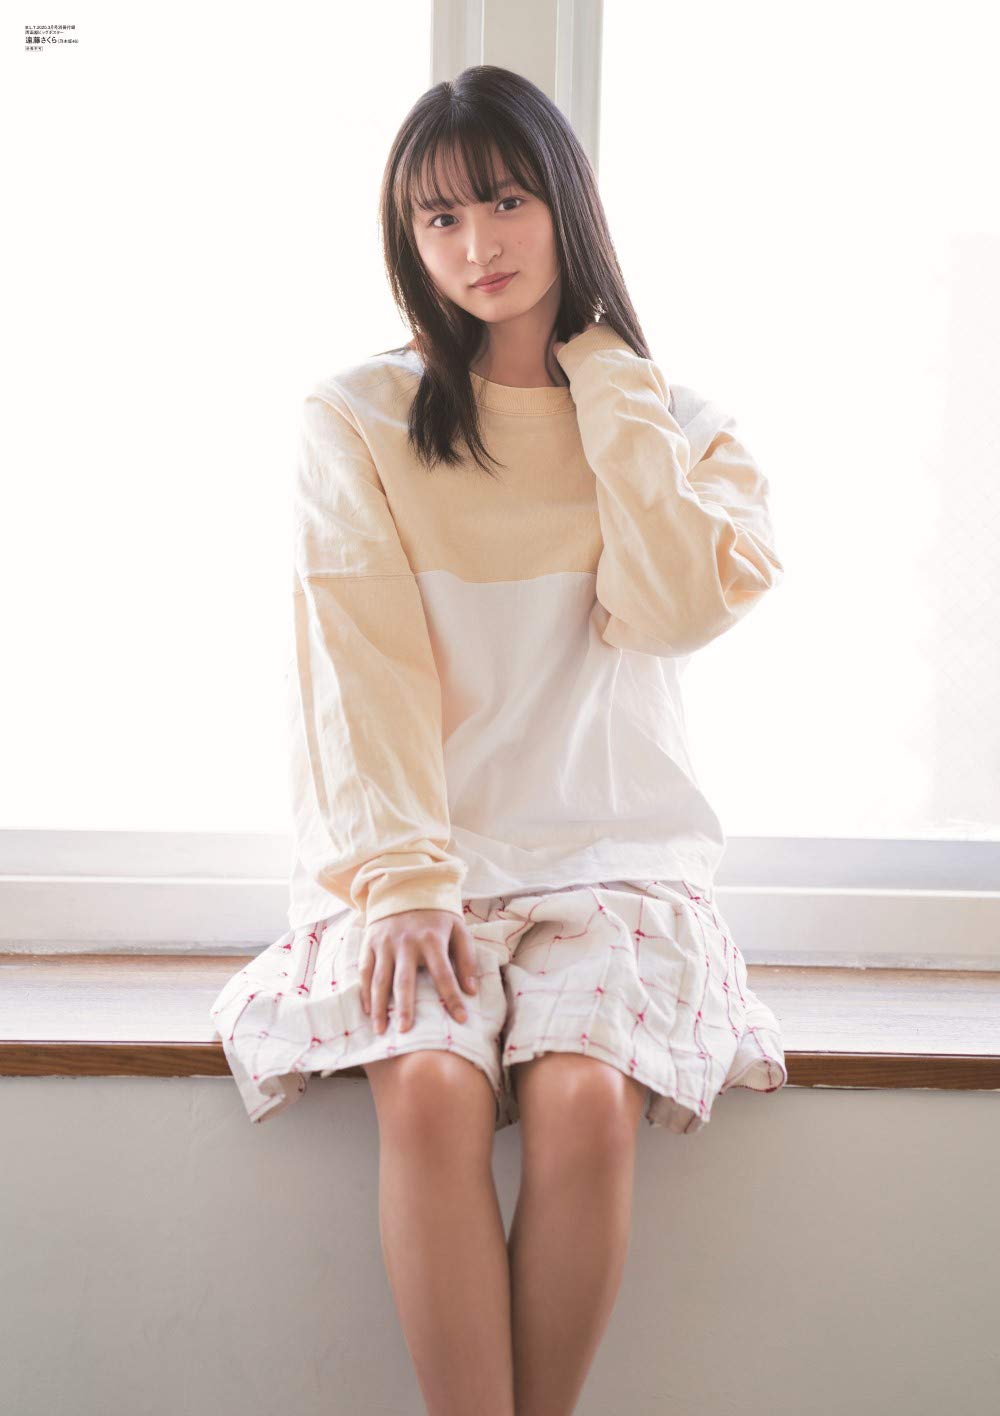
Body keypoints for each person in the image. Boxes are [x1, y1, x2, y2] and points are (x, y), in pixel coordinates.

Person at [210, 62, 789, 1416]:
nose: (476, 244)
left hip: (615, 860)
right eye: (440, 217)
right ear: (408, 240)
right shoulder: (354, 417)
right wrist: (407, 879)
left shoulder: (683, 426)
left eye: (507, 202)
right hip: (424, 861)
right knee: (426, 1090)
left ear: (567, 206)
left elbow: (670, 611)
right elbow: (359, 662)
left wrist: (613, 390)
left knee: (585, 1101)